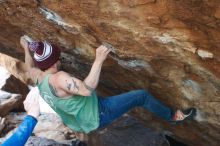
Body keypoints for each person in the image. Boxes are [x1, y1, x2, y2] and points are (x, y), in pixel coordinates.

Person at [20, 36, 196, 135]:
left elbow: (28, 67)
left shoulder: (38, 76)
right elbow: (86, 90)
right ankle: (172, 116)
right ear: (55, 61)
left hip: (79, 120)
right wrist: (99, 59)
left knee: (104, 100)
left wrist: (26, 48)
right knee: (141, 96)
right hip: (97, 114)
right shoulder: (59, 78)